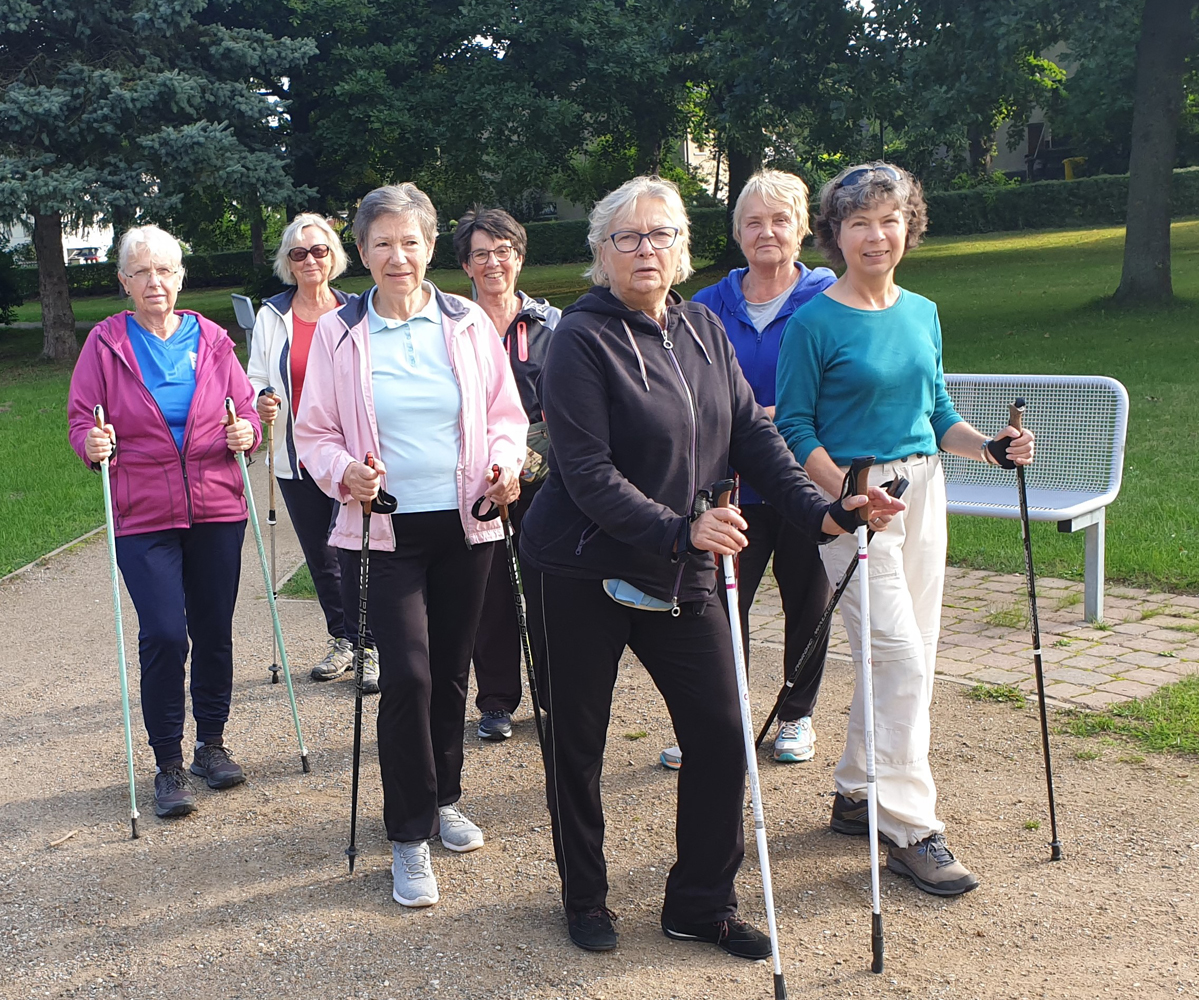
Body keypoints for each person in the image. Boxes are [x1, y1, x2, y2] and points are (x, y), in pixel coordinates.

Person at [518, 175, 906, 956]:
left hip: (677, 567)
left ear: (684, 248)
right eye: (627, 237)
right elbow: (587, 474)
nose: (645, 249)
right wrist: (681, 529)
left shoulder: (700, 329)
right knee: (578, 742)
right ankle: (585, 897)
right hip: (580, 569)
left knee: (723, 734)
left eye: (660, 235)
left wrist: (825, 511)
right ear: (601, 254)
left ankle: (699, 900)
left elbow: (754, 440)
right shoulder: (580, 341)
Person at [775, 161, 1035, 897]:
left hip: (923, 491)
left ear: (908, 227)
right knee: (900, 658)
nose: (876, 235)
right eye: (859, 222)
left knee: (907, 650)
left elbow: (938, 412)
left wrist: (988, 446)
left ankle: (858, 790)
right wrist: (850, 495)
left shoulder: (921, 311)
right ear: (834, 234)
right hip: (854, 501)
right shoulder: (813, 321)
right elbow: (792, 427)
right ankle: (911, 829)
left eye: (889, 219)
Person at [294, 183, 528, 908]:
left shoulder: (465, 323)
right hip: (382, 529)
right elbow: (313, 436)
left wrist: (507, 463)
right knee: (409, 679)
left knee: (452, 672)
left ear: (431, 247)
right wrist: (345, 473)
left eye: (412, 241)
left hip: (467, 522)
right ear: (360, 252)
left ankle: (443, 798)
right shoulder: (340, 332)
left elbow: (504, 415)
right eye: (383, 243)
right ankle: (407, 835)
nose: (399, 256)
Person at [67, 225, 261, 820]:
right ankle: (168, 762)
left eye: (167, 270)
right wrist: (92, 442)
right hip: (143, 511)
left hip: (216, 504)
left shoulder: (213, 338)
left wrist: (245, 432)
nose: (156, 282)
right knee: (164, 634)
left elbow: (245, 409)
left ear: (181, 276)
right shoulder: (104, 344)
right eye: (142, 272)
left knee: (213, 628)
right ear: (124, 282)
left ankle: (212, 745)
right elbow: (80, 419)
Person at [679, 168, 837, 767]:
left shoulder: (827, 299)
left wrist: (758, 414)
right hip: (730, 488)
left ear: (801, 230)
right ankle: (728, 716)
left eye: (779, 220)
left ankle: (796, 716)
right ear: (737, 233)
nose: (766, 232)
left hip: (804, 478)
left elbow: (838, 390)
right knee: (721, 605)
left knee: (808, 599)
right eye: (753, 222)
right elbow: (690, 388)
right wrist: (755, 415)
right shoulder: (706, 305)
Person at [246, 214, 371, 689]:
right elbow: (256, 374)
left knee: (362, 548)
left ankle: (372, 644)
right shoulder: (271, 316)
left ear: (334, 257)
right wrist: (262, 398)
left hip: (351, 457)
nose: (310, 260)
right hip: (295, 458)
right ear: (288, 262)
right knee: (321, 555)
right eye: (299, 253)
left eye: (319, 251)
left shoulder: (357, 310)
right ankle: (342, 639)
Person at [453, 207, 561, 741]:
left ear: (519, 257)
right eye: (481, 255)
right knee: (489, 591)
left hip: (544, 479)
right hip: (477, 480)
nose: (494, 263)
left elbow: (572, 405)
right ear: (466, 266)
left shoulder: (552, 325)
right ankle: (496, 699)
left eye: (504, 251)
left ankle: (554, 691)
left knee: (548, 587)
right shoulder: (452, 328)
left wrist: (532, 460)